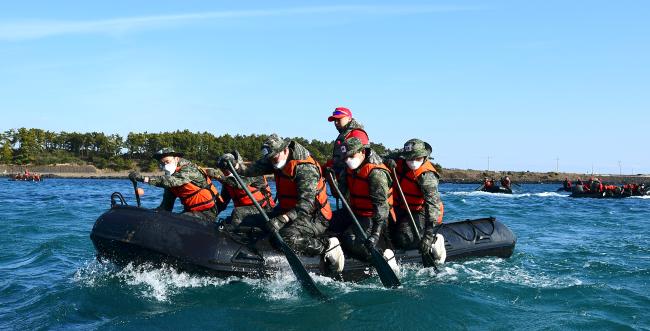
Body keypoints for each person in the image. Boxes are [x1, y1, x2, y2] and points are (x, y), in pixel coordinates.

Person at [218, 134, 344, 273]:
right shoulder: (276, 160)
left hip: (314, 216)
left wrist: (282, 219)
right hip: (286, 210)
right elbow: (249, 170)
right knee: (241, 216)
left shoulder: (305, 169)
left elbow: (306, 205)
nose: (272, 161)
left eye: (274, 157)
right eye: (270, 159)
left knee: (286, 237)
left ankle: (327, 246)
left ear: (285, 150)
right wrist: (233, 165)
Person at [329, 137, 399, 273]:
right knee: (325, 223)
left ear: (362, 152)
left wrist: (376, 234)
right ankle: (331, 249)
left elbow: (381, 208)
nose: (348, 160)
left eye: (351, 156)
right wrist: (333, 182)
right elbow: (340, 194)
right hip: (355, 212)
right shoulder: (348, 168)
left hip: (375, 217)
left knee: (350, 239)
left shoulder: (376, 173)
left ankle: (385, 257)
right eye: (345, 158)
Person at [386, 139, 445, 263]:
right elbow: (377, 158)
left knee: (403, 238)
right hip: (401, 207)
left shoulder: (427, 176)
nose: (413, 162)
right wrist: (386, 162)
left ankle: (435, 241)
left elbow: (433, 206)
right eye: (409, 158)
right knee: (384, 229)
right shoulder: (398, 160)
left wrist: (428, 236)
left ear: (424, 157)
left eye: (417, 158)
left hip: (421, 210)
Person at [129, 148, 222, 221]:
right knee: (166, 217)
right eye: (162, 163)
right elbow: (166, 207)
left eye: (167, 162)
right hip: (190, 212)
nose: (165, 165)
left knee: (182, 220)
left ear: (176, 159)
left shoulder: (189, 170)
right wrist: (150, 214)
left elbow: (170, 181)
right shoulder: (170, 178)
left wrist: (143, 178)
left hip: (207, 213)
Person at [212, 151, 275, 229]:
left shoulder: (252, 172)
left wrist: (218, 177)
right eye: (222, 169)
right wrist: (211, 212)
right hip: (244, 213)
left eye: (226, 169)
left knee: (237, 212)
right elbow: (222, 203)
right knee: (224, 222)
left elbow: (241, 184)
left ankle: (233, 235)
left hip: (264, 210)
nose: (224, 172)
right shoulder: (229, 182)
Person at [325, 107, 369, 175]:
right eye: (335, 120)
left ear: (349, 119)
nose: (336, 122)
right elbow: (338, 158)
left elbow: (355, 163)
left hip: (353, 180)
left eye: (339, 119)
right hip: (341, 178)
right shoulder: (344, 134)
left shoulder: (357, 134)